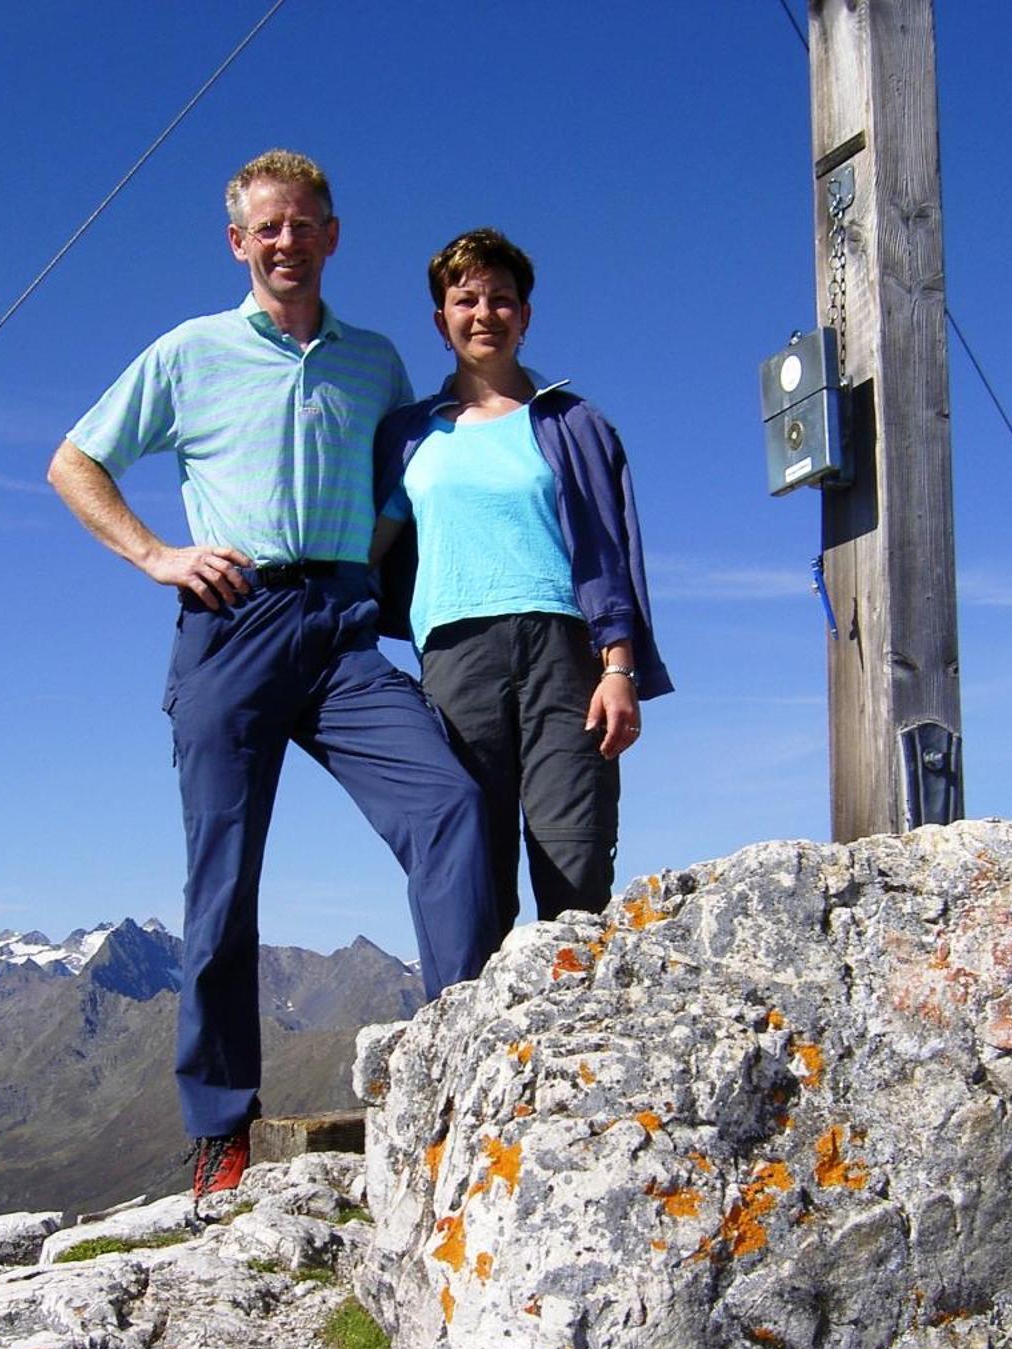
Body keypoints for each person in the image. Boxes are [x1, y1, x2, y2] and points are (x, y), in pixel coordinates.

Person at [47, 151, 498, 1199]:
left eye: (303, 224)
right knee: (223, 886)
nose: (285, 241)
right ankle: (219, 1129)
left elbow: (406, 479)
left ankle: (464, 1065)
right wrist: (158, 554)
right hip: (229, 621)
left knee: (451, 809)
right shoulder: (188, 353)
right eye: (267, 228)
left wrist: (376, 567)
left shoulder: (375, 363)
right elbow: (74, 460)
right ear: (238, 243)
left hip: (341, 629)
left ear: (331, 237)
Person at [372, 228, 671, 937]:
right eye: (465, 299)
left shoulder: (574, 423)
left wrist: (618, 667)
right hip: (454, 656)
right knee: (470, 855)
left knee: (575, 852)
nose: (485, 313)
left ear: (526, 316)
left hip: (565, 656)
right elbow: (370, 549)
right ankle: (476, 1029)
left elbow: (610, 551)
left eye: (502, 299)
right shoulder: (409, 435)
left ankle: (578, 1030)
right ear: (440, 321)